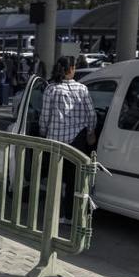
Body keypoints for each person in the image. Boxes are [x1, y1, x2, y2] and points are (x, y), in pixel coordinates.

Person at [39, 56, 97, 225]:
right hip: (76, 143)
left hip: (55, 142)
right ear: (71, 69)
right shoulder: (82, 89)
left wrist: (43, 132)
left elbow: (44, 117)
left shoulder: (51, 89)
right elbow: (91, 115)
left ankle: (54, 214)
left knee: (55, 180)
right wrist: (90, 132)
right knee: (73, 181)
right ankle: (70, 216)